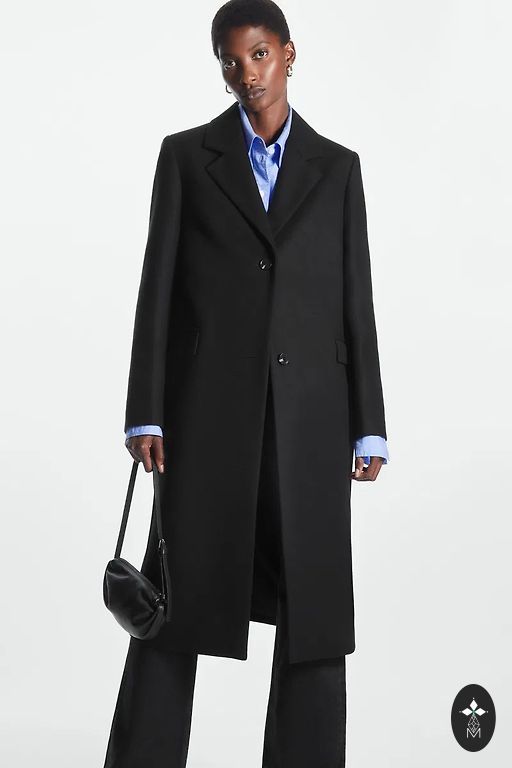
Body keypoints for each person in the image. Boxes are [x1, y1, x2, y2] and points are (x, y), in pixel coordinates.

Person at [103, 0, 389, 765]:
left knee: (313, 615)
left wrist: (369, 421)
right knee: (172, 606)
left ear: (289, 54)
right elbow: (157, 289)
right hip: (204, 422)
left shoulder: (338, 169)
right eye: (232, 61)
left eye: (259, 55)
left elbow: (355, 302)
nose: (247, 74)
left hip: (311, 424)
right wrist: (146, 413)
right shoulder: (185, 158)